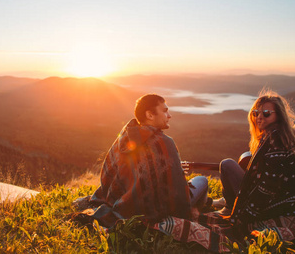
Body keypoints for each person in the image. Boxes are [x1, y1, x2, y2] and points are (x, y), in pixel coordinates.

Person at [86, 94, 209, 228]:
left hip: (123, 205)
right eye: (165, 111)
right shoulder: (165, 143)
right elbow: (177, 192)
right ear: (150, 115)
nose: (169, 115)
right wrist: (178, 176)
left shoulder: (124, 137)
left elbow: (112, 173)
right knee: (202, 181)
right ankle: (194, 212)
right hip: (157, 210)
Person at [215, 90, 295, 227]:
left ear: (279, 116)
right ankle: (229, 205)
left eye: (266, 114)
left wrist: (244, 215)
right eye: (256, 113)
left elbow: (268, 188)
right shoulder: (290, 134)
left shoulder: (276, 140)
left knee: (227, 165)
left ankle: (229, 206)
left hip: (279, 206)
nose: (259, 118)